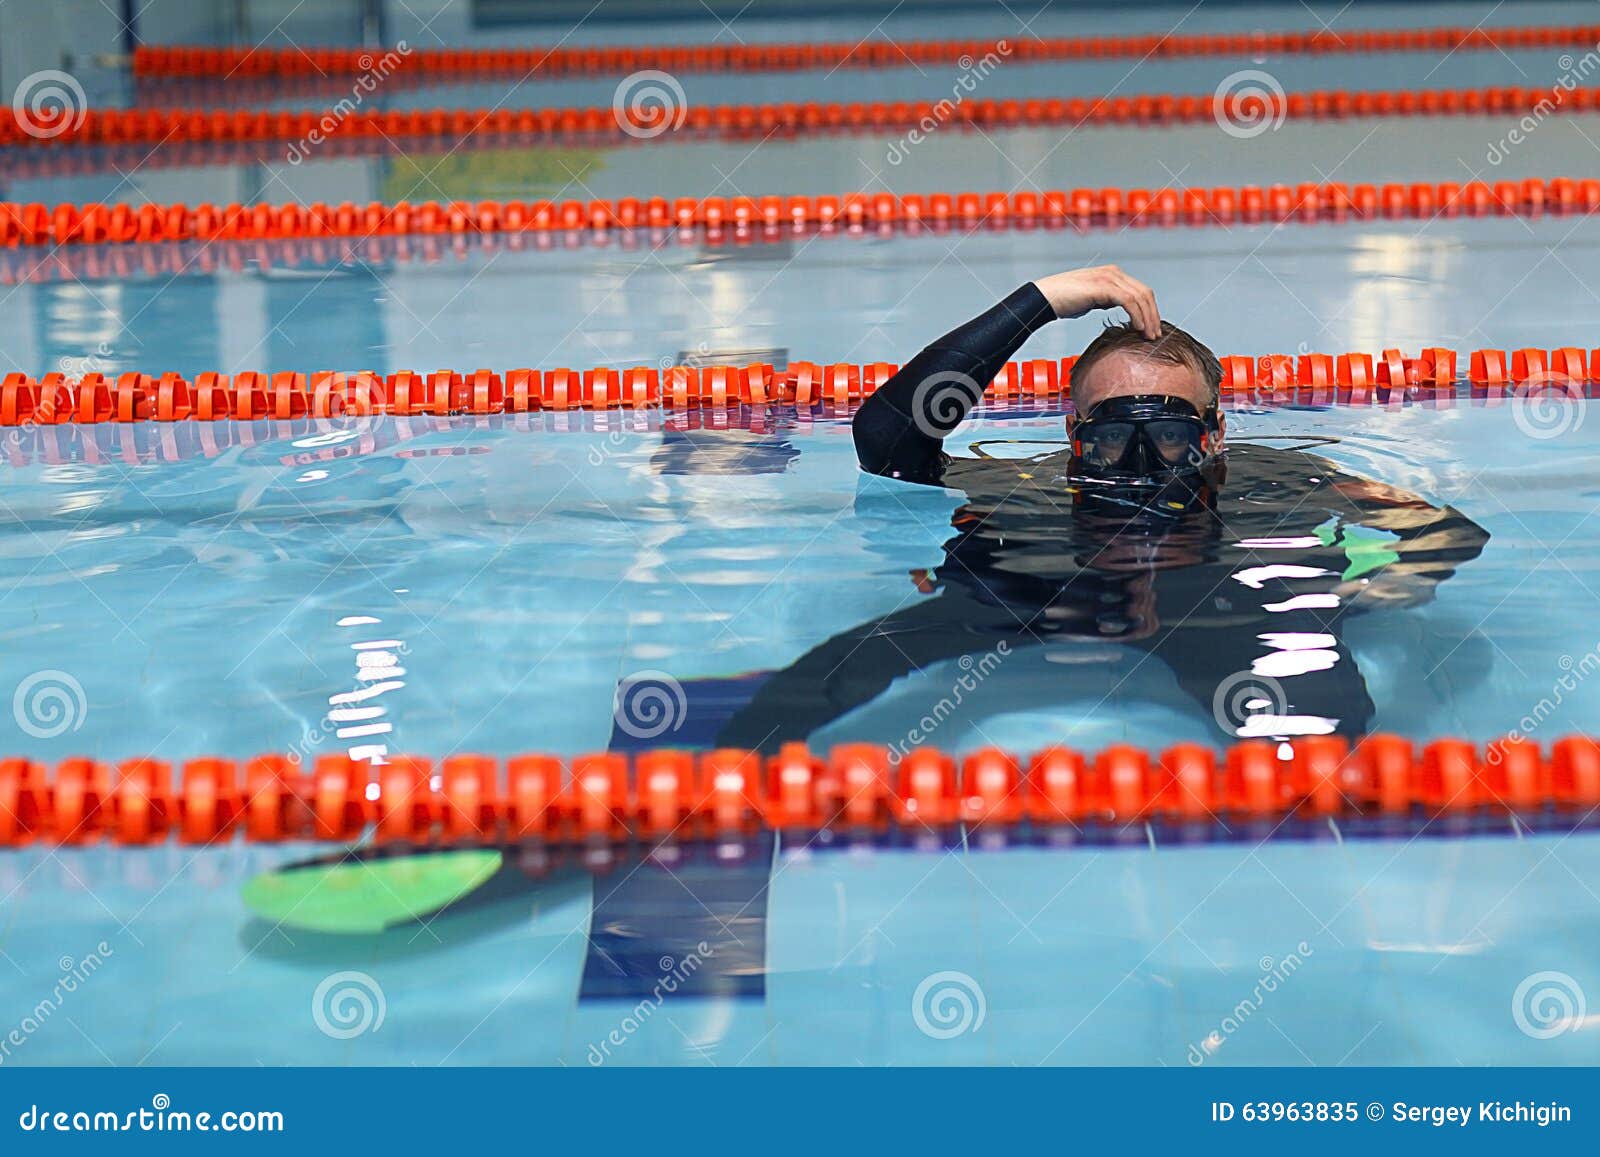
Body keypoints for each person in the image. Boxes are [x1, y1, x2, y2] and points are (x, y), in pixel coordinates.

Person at [710, 266, 1491, 754]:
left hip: (1222, 605)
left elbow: (1442, 532)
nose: (1145, 461)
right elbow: (883, 436)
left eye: (1172, 434)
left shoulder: (1277, 474)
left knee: (1318, 747)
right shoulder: (1027, 486)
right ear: (1075, 434)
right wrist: (1041, 301)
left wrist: (1351, 592)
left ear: (1214, 435)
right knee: (839, 672)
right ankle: (716, 782)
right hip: (1036, 593)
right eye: (1116, 435)